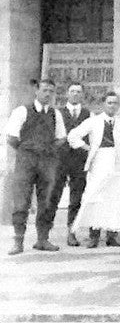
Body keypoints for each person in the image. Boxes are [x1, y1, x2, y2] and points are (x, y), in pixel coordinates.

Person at [5, 78, 67, 254]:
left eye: (51, 91)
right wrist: (28, 150)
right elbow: (11, 137)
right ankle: (18, 241)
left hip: (47, 162)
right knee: (21, 201)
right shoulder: (22, 111)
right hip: (26, 162)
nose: (48, 94)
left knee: (46, 200)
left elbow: (61, 137)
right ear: (36, 91)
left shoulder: (56, 114)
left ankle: (43, 239)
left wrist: (47, 150)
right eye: (45, 90)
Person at [67, 91, 120, 248]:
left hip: (116, 161)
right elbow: (73, 136)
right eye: (109, 103)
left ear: (118, 106)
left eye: (115, 103)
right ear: (104, 104)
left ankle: (112, 236)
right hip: (99, 161)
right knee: (95, 196)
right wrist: (87, 147)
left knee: (114, 198)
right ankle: (94, 236)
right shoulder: (94, 121)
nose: (112, 106)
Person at [51, 82, 91, 247]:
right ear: (67, 94)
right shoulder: (58, 113)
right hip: (60, 160)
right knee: (54, 194)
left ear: (82, 95)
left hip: (80, 161)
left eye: (78, 92)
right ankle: (45, 231)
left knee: (77, 198)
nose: (75, 94)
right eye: (72, 91)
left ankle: (71, 232)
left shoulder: (87, 114)